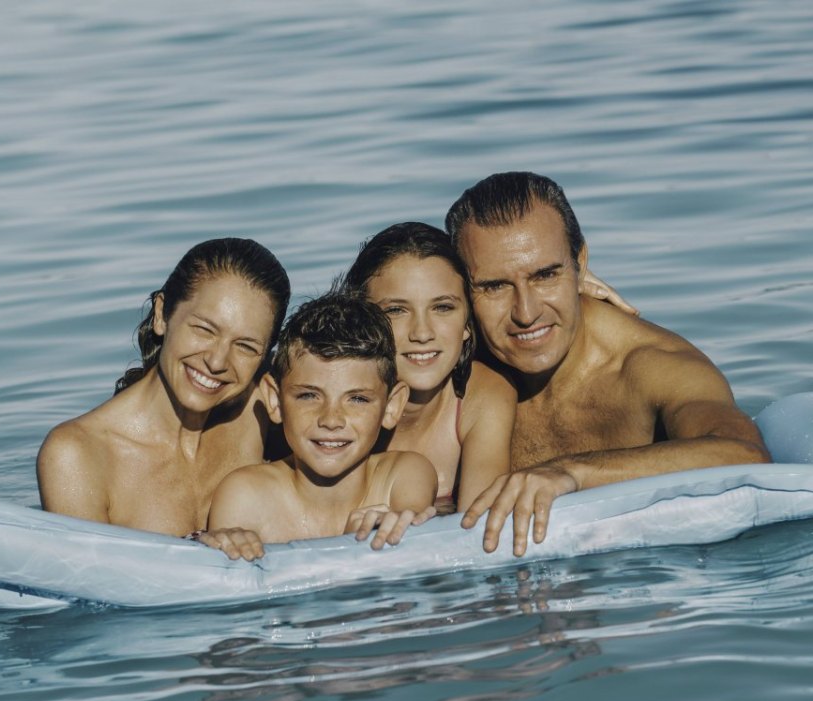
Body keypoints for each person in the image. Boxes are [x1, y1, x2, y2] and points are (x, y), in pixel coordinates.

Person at [445, 171, 771, 556]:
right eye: (495, 286)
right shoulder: (448, 361)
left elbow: (745, 455)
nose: (526, 312)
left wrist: (572, 472)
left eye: (546, 275)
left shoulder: (649, 366)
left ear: (580, 264)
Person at [36, 238, 291, 536]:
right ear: (161, 314)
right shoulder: (77, 455)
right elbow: (88, 577)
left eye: (246, 346)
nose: (217, 361)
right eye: (203, 329)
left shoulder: (261, 405)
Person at [204, 290, 437, 560]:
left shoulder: (403, 477)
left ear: (392, 406)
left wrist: (387, 529)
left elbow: (416, 559)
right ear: (275, 400)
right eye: (309, 396)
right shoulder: (246, 496)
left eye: (358, 399)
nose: (331, 420)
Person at [341, 222, 517, 515]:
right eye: (396, 310)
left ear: (466, 324)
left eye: (443, 307)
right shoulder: (322, 398)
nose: (422, 333)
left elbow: (480, 528)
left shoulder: (483, 394)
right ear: (358, 321)